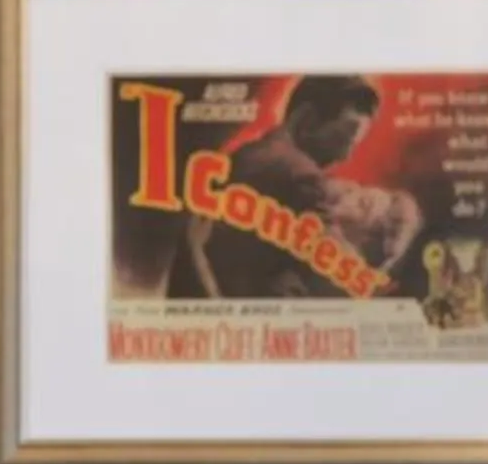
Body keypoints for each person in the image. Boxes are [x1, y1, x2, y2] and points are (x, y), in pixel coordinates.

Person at [168, 75, 417, 301]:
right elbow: (341, 271)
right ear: (306, 120)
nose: (345, 157)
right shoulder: (300, 176)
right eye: (344, 140)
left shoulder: (248, 153)